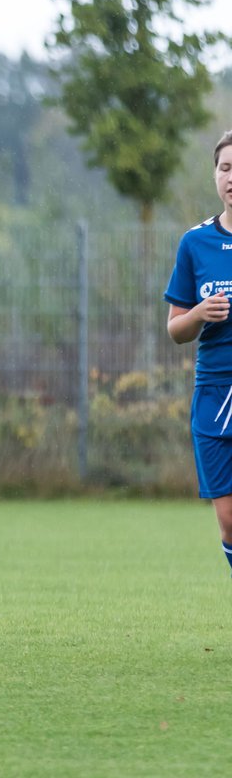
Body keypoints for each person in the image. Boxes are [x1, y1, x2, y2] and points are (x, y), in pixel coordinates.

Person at [164, 128, 232, 579]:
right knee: (229, 523)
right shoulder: (195, 243)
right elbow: (174, 329)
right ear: (214, 175)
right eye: (226, 168)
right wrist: (200, 314)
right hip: (213, 395)